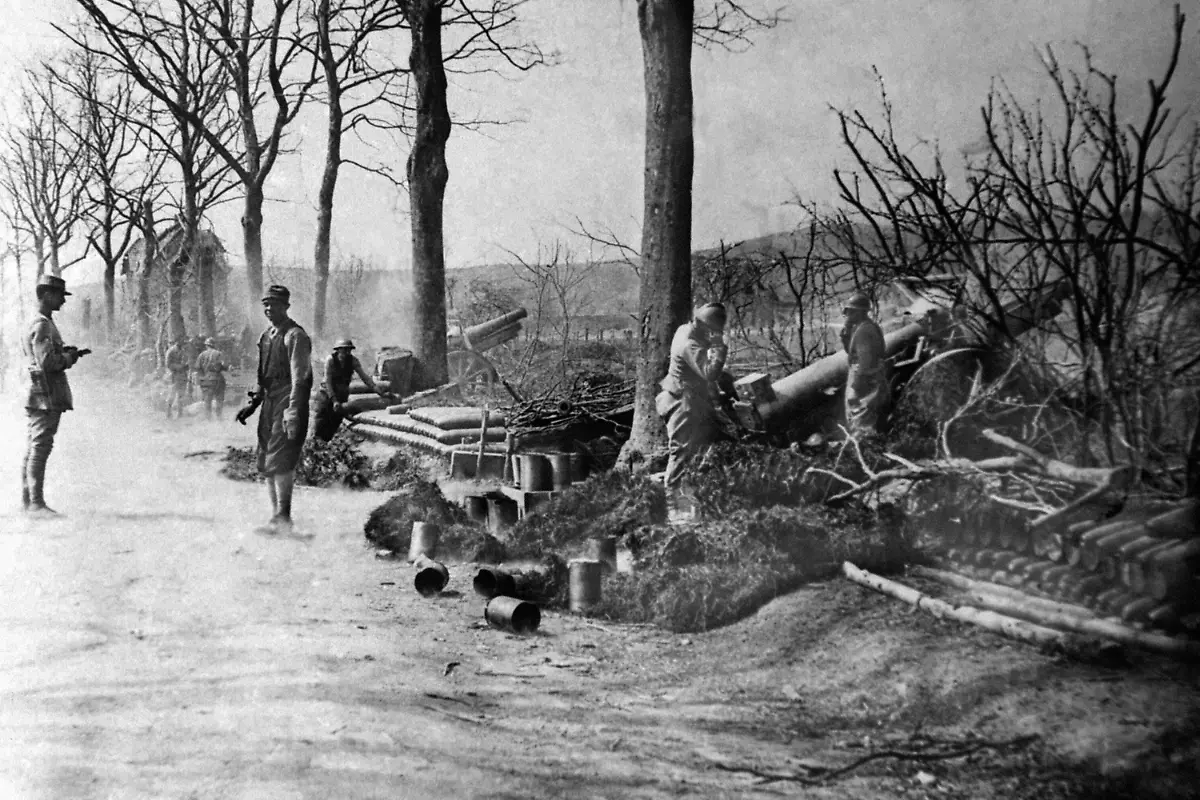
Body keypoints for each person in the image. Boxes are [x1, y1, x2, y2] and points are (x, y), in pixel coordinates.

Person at [235, 285, 313, 534]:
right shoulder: (266, 336)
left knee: (281, 459)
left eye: (275, 304)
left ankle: (284, 516)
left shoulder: (295, 336)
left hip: (288, 401)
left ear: (286, 307)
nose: (269, 309)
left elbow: (300, 379)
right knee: (267, 459)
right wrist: (253, 404)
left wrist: (293, 411)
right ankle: (275, 517)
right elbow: (262, 375)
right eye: (266, 304)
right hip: (269, 402)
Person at [22, 275, 86, 516]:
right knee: (40, 447)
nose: (63, 301)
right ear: (47, 295)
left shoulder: (36, 321)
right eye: (60, 296)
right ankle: (36, 504)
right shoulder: (43, 325)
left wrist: (64, 352)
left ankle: (29, 502)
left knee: (34, 446)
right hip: (45, 395)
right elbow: (48, 363)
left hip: (39, 392)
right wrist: (69, 358)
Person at [656, 302, 729, 495]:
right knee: (681, 453)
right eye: (712, 330)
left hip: (681, 397)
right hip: (681, 403)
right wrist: (719, 347)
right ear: (704, 326)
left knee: (705, 444)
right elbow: (709, 373)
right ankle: (672, 500)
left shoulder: (684, 330)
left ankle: (695, 492)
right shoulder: (689, 344)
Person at [312, 338, 388, 442]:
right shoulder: (330, 360)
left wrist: (377, 390)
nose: (346, 352)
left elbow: (365, 378)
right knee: (321, 419)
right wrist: (334, 400)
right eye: (343, 350)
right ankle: (315, 442)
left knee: (335, 420)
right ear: (338, 350)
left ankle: (326, 443)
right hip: (326, 393)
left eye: (348, 350)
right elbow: (328, 382)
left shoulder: (353, 361)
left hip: (341, 394)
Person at [840, 291, 890, 437]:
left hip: (865, 380)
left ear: (860, 312)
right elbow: (851, 352)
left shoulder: (865, 331)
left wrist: (855, 388)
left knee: (861, 420)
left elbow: (866, 363)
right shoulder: (862, 327)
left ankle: (865, 445)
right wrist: (846, 333)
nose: (847, 314)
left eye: (850, 311)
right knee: (860, 419)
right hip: (865, 377)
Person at [193, 337, 228, 420]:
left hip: (206, 379)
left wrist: (202, 376)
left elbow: (197, 367)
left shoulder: (201, 355)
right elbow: (225, 366)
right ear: (214, 345)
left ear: (206, 345)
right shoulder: (219, 354)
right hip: (217, 378)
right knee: (219, 399)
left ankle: (208, 419)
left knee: (207, 400)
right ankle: (219, 417)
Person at [164, 336, 190, 418]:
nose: (183, 342)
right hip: (174, 376)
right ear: (177, 341)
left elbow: (186, 361)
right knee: (172, 395)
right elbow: (168, 364)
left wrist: (187, 366)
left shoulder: (183, 351)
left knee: (181, 395)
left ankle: (180, 414)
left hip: (183, 376)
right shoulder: (171, 351)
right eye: (181, 341)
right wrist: (179, 367)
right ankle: (168, 413)